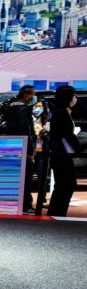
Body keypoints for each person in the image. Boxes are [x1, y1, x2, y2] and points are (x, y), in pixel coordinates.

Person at [47, 86, 81, 217]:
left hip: (61, 154)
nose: (75, 98)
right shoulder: (61, 113)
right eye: (74, 95)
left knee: (65, 185)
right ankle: (58, 213)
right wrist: (78, 149)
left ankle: (57, 213)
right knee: (66, 185)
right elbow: (67, 135)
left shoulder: (62, 112)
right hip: (61, 155)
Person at [4, 86, 38, 213]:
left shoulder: (9, 108)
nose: (33, 98)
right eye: (32, 95)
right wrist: (30, 151)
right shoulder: (23, 109)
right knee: (26, 178)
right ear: (25, 95)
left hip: (12, 146)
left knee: (15, 178)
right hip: (24, 148)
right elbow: (26, 130)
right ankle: (26, 206)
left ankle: (15, 204)